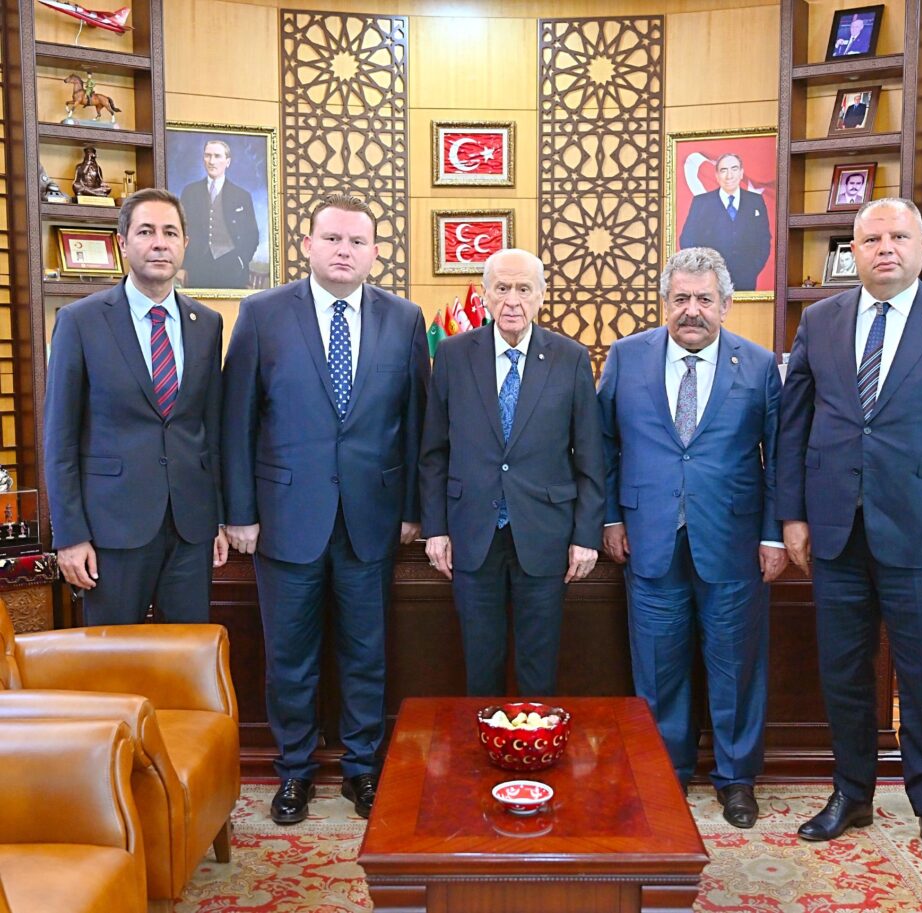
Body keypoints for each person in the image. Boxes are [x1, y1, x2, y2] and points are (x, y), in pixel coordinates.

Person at [777, 198, 922, 871]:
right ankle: (852, 792)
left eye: (898, 236)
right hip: (836, 531)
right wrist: (792, 514)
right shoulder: (820, 320)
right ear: (854, 249)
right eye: (871, 238)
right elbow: (793, 425)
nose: (885, 249)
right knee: (843, 672)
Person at [221, 193, 428, 826]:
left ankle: (363, 769)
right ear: (307, 245)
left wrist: (413, 509)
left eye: (357, 241)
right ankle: (294, 771)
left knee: (366, 654)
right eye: (332, 239)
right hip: (285, 519)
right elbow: (236, 421)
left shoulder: (404, 319)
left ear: (374, 253)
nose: (344, 251)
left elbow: (416, 424)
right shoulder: (261, 314)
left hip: (372, 518)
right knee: (290, 656)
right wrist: (239, 512)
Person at [597, 246, 787, 828]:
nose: (692, 310)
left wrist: (773, 536)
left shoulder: (758, 365)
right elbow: (603, 445)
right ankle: (666, 771)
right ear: (664, 303)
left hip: (733, 542)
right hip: (648, 537)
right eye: (680, 298)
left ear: (726, 304)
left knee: (735, 667)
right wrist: (610, 518)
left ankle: (736, 780)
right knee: (659, 668)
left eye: (704, 299)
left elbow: (778, 459)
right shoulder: (627, 357)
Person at [419, 248, 604, 698]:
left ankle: (536, 739)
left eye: (524, 289)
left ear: (541, 295)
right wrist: (435, 529)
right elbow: (434, 452)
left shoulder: (570, 357)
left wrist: (586, 535)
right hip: (472, 534)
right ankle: (484, 742)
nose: (512, 300)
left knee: (538, 666)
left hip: (545, 533)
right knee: (480, 664)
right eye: (501, 288)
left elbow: (590, 456)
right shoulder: (453, 354)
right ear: (485, 294)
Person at [44, 188, 228, 625]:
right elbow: (59, 439)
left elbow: (212, 430)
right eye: (146, 232)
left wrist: (219, 519)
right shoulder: (80, 321)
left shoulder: (207, 324)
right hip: (112, 529)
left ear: (185, 244)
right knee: (114, 655)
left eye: (170, 232)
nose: (160, 243)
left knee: (187, 654)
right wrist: (70, 536)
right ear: (123, 243)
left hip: (190, 527)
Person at [678, 153, 771, 291]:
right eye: (723, 170)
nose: (729, 175)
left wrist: (752, 269)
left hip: (746, 281)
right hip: (708, 283)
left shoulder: (755, 201)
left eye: (734, 169)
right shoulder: (701, 202)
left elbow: (763, 239)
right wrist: (702, 272)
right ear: (717, 175)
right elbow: (687, 240)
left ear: (741, 173)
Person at [180, 139, 259, 290]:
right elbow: (181, 231)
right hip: (197, 268)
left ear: (227, 162)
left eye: (217, 156)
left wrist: (241, 260)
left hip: (231, 267)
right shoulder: (190, 192)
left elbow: (252, 235)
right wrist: (183, 266)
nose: (211, 161)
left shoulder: (242, 196)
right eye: (207, 155)